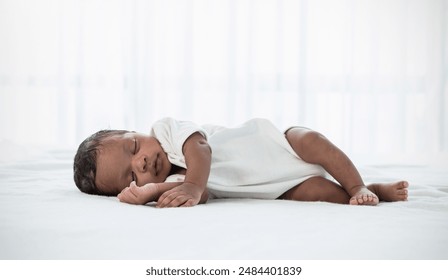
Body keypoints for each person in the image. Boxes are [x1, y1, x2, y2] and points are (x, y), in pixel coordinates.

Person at [73, 117, 408, 208]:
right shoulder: (179, 188)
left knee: (313, 141)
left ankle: (359, 183)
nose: (142, 160)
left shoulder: (167, 132)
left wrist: (192, 183)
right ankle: (363, 194)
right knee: (318, 192)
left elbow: (200, 149)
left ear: (136, 131)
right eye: (132, 175)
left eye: (133, 146)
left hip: (281, 145)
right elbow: (197, 197)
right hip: (281, 188)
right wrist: (151, 193)